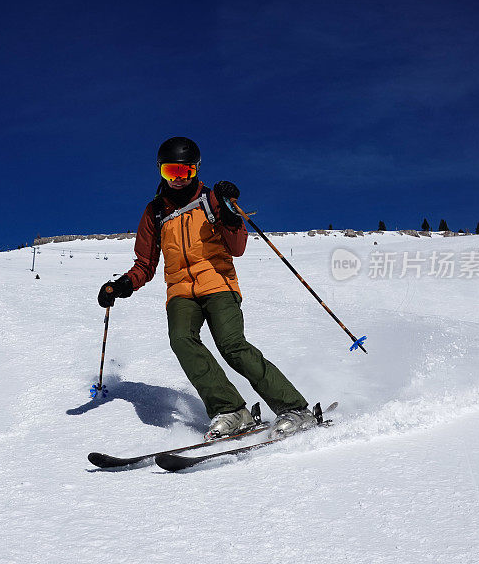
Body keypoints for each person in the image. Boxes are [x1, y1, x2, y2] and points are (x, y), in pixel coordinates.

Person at [97, 136, 316, 439]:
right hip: (180, 292)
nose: (177, 180)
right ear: (160, 171)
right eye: (169, 172)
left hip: (218, 283)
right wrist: (122, 284)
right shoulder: (155, 212)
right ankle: (230, 410)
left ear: (196, 169)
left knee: (232, 345)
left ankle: (294, 408)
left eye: (183, 173)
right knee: (181, 339)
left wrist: (229, 214)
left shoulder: (212, 199)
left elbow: (237, 248)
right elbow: (145, 264)